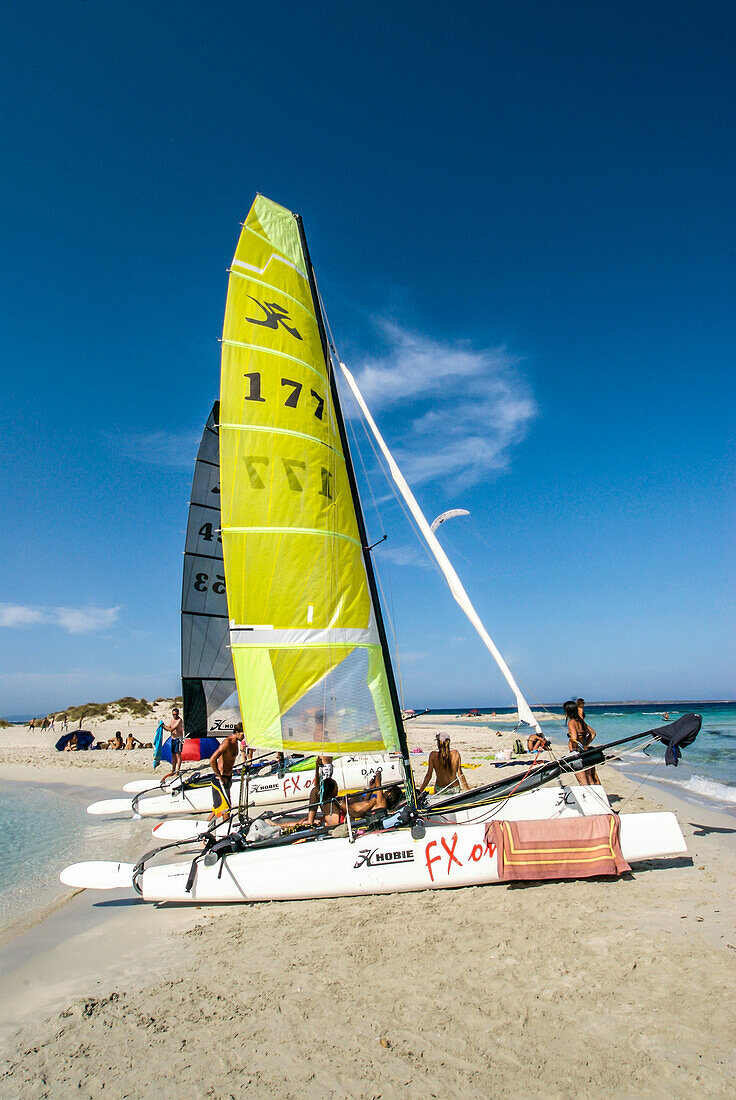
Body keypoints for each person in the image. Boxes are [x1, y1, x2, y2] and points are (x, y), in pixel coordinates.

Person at [208, 729, 245, 818]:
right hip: (220, 780)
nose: (244, 737)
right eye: (242, 735)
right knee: (226, 809)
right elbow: (212, 759)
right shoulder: (226, 743)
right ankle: (226, 829)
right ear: (237, 733)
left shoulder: (236, 742)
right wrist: (219, 776)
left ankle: (203, 827)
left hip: (227, 778)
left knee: (218, 808)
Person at [564, 699, 600, 785]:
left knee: (583, 781)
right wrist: (586, 744)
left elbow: (574, 737)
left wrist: (573, 746)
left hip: (577, 753)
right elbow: (593, 733)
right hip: (585, 751)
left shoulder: (571, 722)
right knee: (590, 779)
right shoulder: (581, 722)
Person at [161, 707, 184, 779]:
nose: (175, 716)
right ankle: (173, 770)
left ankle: (177, 770)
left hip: (178, 739)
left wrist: (164, 726)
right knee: (173, 755)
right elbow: (169, 727)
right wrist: (163, 726)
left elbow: (171, 729)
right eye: (173, 714)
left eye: (176, 714)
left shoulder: (179, 720)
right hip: (173, 739)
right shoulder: (172, 720)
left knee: (178, 755)